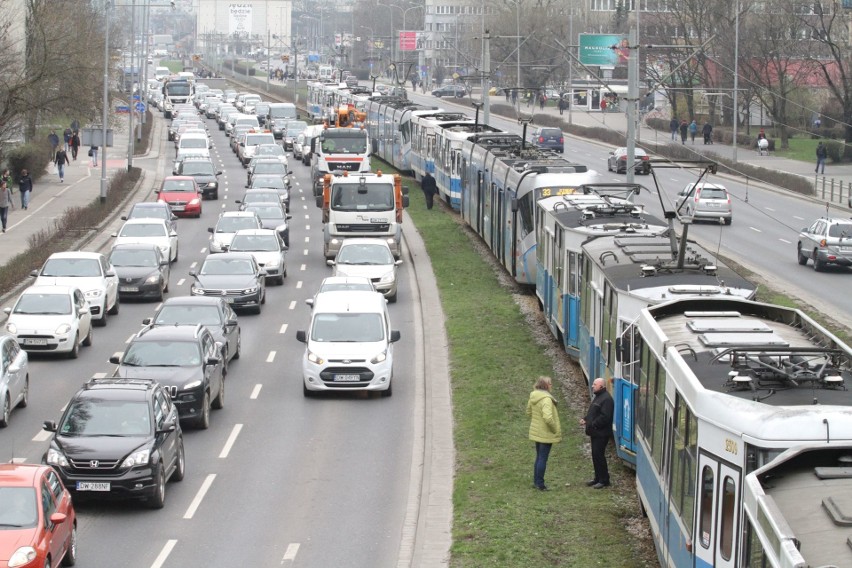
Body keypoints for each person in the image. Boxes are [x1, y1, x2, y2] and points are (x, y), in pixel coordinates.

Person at [526, 376, 561, 491]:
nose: (551, 386)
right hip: (545, 433)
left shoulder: (533, 396)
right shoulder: (546, 399)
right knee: (542, 459)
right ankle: (540, 484)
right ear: (546, 386)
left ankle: (536, 481)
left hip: (537, 432)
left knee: (539, 457)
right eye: (550, 384)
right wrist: (554, 429)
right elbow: (548, 417)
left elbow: (528, 411)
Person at [580, 378, 614, 489]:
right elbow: (593, 412)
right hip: (595, 432)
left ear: (601, 386)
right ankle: (598, 478)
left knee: (599, 455)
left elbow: (605, 417)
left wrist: (593, 424)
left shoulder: (606, 399)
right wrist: (586, 419)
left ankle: (604, 480)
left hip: (601, 433)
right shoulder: (599, 397)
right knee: (595, 455)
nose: (593, 386)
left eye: (595, 384)